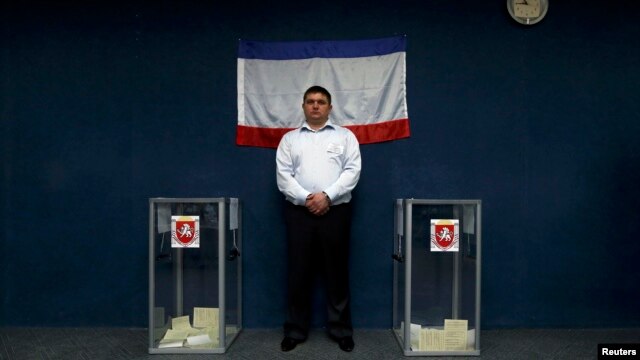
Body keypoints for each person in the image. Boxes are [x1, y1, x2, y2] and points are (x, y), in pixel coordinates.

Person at [276, 85, 362, 352]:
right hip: (299, 214)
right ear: (303, 106)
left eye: (321, 102)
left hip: (335, 212)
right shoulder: (290, 140)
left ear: (330, 107)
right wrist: (307, 199)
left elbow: (352, 171)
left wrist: (326, 196)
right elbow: (283, 176)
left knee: (336, 272)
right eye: (310, 101)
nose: (315, 106)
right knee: (298, 272)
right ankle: (295, 331)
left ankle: (341, 331)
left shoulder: (346, 137)